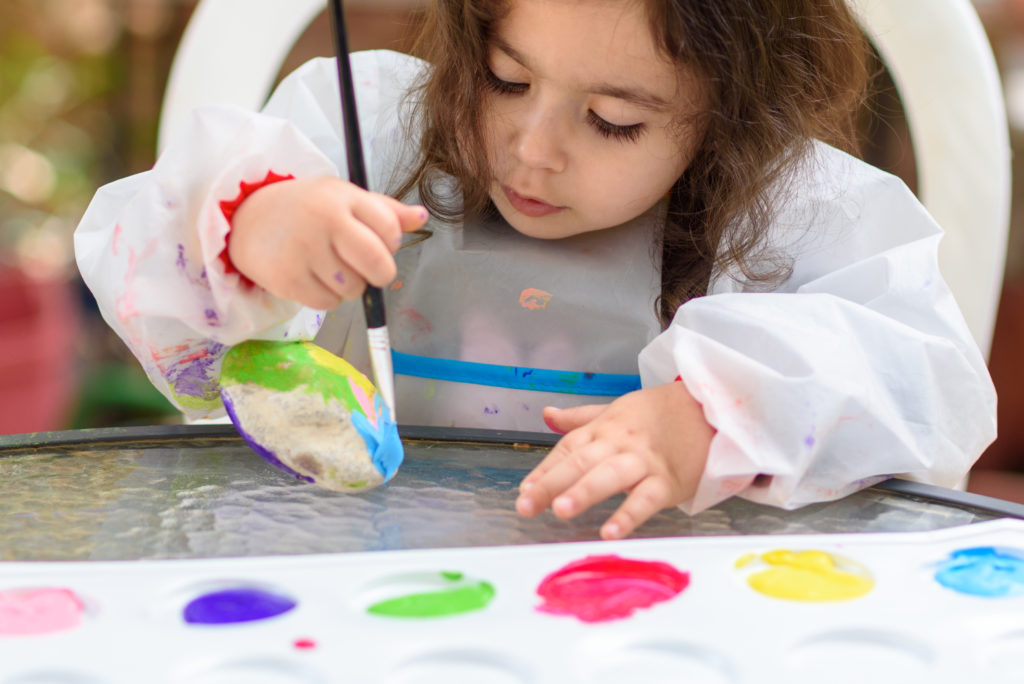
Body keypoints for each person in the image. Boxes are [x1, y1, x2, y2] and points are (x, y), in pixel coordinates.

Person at [74, 0, 996, 539]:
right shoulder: (368, 131)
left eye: (613, 120)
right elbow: (150, 245)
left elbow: (925, 376)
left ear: (732, 113)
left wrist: (715, 414)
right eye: (506, 80)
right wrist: (255, 226)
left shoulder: (793, 208)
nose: (533, 148)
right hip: (338, 601)